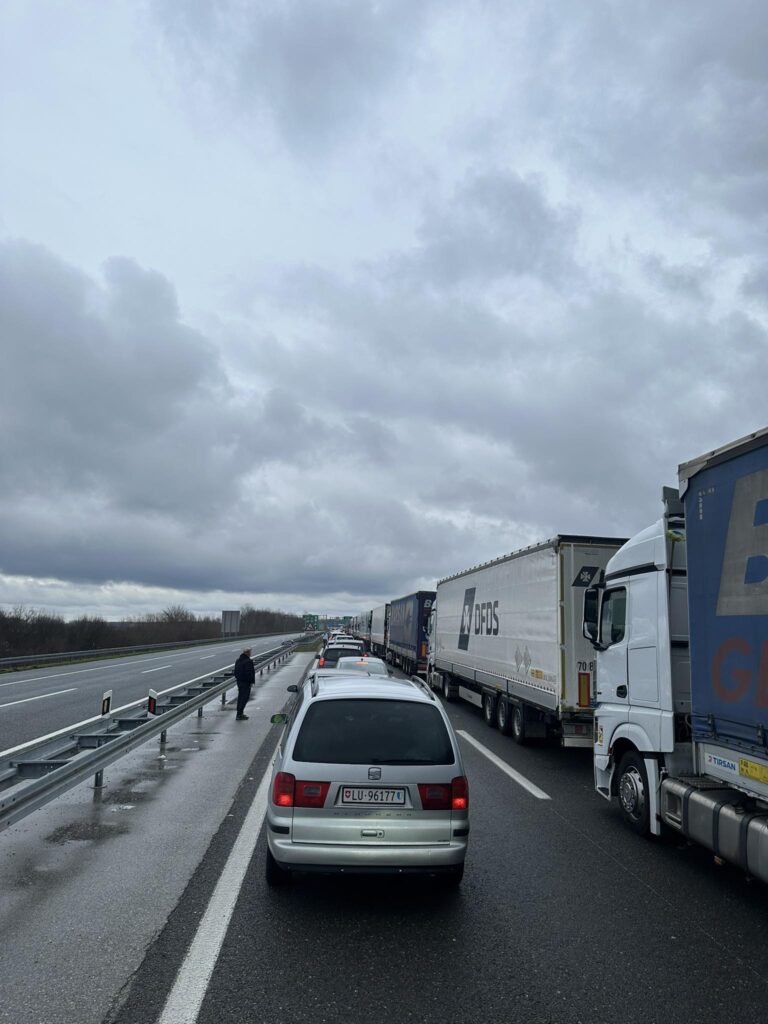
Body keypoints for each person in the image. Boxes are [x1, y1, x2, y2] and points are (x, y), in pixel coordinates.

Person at [233, 647, 255, 720]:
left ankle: (239, 713)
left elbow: (235, 672)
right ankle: (239, 714)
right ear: (247, 653)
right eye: (249, 652)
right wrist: (251, 681)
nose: (250, 653)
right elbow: (249, 673)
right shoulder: (248, 661)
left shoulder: (238, 660)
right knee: (244, 698)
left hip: (239, 682)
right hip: (246, 683)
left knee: (240, 698)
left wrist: (239, 679)